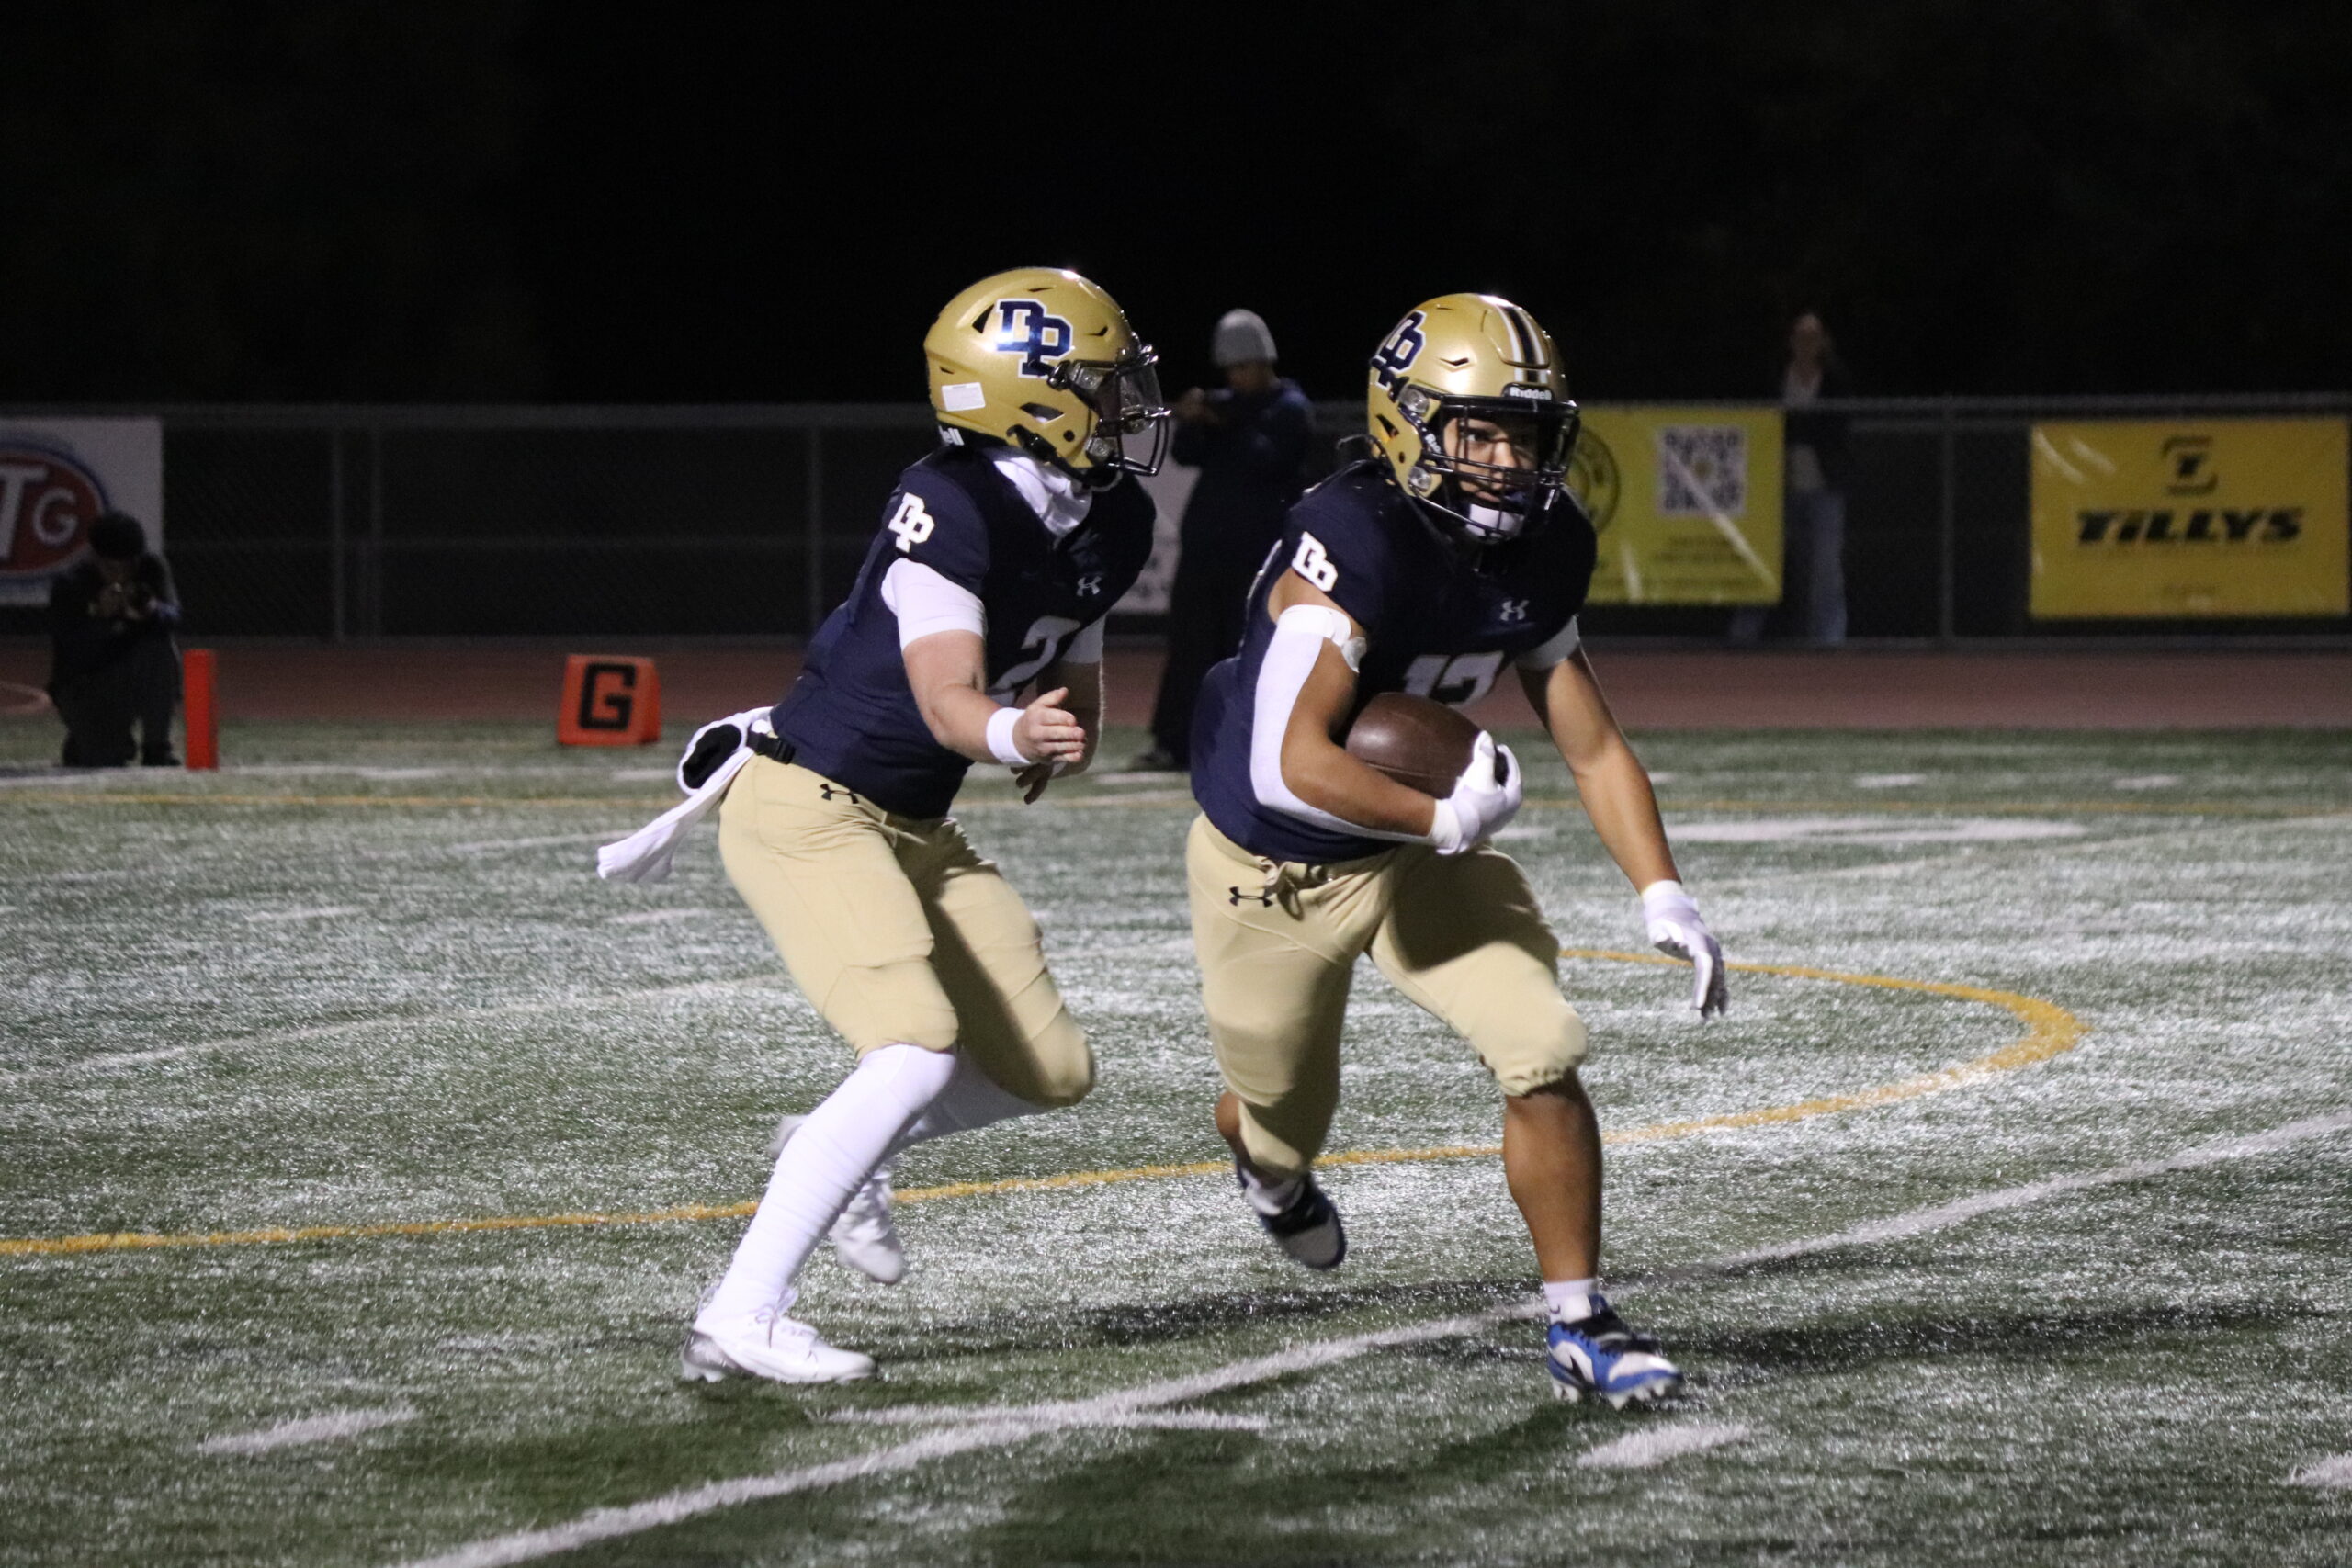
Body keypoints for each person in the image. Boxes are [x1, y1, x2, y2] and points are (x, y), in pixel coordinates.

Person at [1183, 294, 1727, 1408]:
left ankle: (1582, 1324)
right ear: (1405, 425)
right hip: (1275, 862)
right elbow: (1288, 765)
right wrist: (1443, 817)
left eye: (1522, 431)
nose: (1503, 457)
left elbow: (1591, 740)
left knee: (1542, 1048)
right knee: (1279, 1120)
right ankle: (1264, 1165)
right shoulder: (1352, 537)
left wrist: (1663, 890)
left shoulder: (1545, 539)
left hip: (1424, 856)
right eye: (1475, 430)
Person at [645, 268, 1166, 1384]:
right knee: (916, 1047)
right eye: (1101, 382)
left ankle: (838, 1146)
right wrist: (1016, 736)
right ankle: (739, 1314)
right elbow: (945, 699)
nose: (1128, 401)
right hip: (809, 803)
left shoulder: (1113, 512)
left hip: (912, 821)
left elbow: (1072, 634)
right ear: (1029, 396)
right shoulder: (953, 499)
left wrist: (1070, 710)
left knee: (1051, 1069)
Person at [1131, 309, 1313, 772]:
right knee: (1189, 648)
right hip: (1206, 552)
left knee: (1247, 652)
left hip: (1257, 556)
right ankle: (1174, 743)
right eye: (1231, 369)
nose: (1236, 377)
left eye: (1244, 367)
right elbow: (1185, 452)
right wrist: (1196, 419)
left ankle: (1244, 746)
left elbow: (1268, 460)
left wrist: (1219, 418)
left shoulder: (1289, 407)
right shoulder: (1228, 405)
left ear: (1264, 360)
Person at [1732, 310, 1854, 644]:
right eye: (1800, 336)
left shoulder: (1835, 380)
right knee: (1761, 561)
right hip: (1777, 487)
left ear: (1823, 342)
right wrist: (1797, 428)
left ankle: (1828, 640)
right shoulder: (1776, 377)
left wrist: (1798, 427)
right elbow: (1766, 427)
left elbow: (1833, 430)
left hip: (1823, 486)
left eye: (1813, 337)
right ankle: (1744, 635)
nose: (1806, 344)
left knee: (1826, 570)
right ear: (1791, 341)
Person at [47, 512, 182, 767]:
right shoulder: (71, 583)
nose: (120, 575)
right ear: (95, 558)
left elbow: (174, 615)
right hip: (87, 683)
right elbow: (71, 653)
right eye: (111, 567)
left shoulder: (151, 569)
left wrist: (150, 611)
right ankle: (87, 740)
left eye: (127, 566)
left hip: (132, 673)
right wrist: (100, 620)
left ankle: (157, 745)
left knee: (160, 646)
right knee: (105, 758)